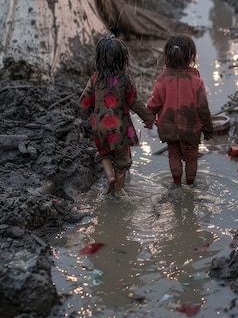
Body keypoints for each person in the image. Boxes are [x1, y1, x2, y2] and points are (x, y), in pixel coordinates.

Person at [80, 35, 153, 197]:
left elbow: (84, 100)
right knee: (122, 162)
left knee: (104, 153)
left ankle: (109, 177)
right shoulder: (125, 80)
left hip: (100, 127)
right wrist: (148, 118)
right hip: (121, 128)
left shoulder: (95, 79)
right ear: (122, 59)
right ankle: (118, 192)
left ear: (99, 58)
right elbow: (134, 102)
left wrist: (87, 113)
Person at [147, 34, 213, 188]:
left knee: (174, 154)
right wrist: (208, 128)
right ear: (192, 56)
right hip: (191, 129)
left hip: (168, 128)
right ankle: (190, 186)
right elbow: (203, 108)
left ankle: (176, 185)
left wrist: (148, 119)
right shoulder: (196, 82)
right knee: (191, 158)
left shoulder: (162, 80)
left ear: (167, 56)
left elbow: (154, 103)